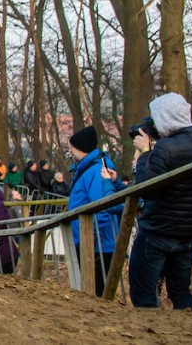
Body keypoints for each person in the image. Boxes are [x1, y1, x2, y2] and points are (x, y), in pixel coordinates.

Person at [129, 93, 192, 310]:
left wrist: (144, 153)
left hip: (158, 231)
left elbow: (146, 187)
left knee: (143, 294)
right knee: (180, 292)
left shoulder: (164, 150)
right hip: (189, 230)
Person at [66, 125, 121, 296]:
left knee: (96, 295)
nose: (70, 151)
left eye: (72, 147)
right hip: (90, 243)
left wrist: (88, 240)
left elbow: (102, 208)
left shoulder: (95, 171)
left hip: (96, 247)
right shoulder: (87, 169)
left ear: (81, 149)